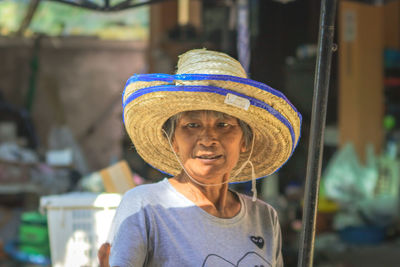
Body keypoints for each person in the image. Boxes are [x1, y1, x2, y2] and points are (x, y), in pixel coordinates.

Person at [99, 49, 301, 267]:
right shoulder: (144, 207)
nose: (207, 139)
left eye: (223, 125)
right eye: (192, 125)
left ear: (244, 141)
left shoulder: (264, 218)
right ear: (173, 141)